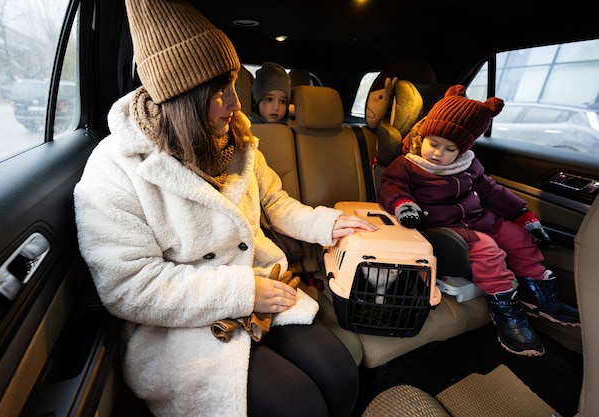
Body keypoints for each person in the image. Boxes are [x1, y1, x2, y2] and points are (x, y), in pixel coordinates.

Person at [74, 1, 377, 416]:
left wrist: (330, 224)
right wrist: (244, 292)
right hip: (182, 322)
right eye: (220, 92)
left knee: (341, 373)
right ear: (182, 97)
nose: (236, 104)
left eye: (236, 85)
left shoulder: (236, 137)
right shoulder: (115, 166)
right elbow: (128, 285)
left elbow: (274, 200)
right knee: (297, 403)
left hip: (259, 289)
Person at [377, 84, 580, 357]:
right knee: (488, 250)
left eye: (449, 149)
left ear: (462, 151)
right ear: (422, 137)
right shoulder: (408, 164)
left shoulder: (468, 164)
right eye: (433, 143)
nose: (438, 153)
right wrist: (404, 205)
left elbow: (490, 191)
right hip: (441, 227)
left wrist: (522, 215)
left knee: (518, 238)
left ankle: (539, 294)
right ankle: (506, 310)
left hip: (478, 219)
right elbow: (392, 187)